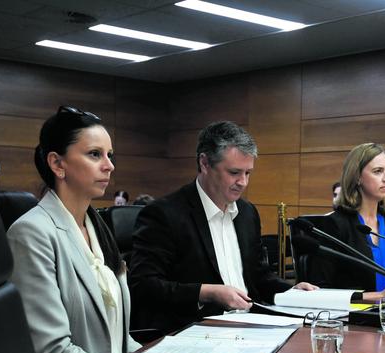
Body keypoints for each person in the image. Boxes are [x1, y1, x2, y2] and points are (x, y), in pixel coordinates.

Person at [7, 106, 141, 353]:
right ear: (57, 163)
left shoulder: (98, 226)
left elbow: (116, 333)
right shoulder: (32, 233)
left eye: (109, 155)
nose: (109, 166)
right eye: (95, 154)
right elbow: (52, 352)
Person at [130, 121, 316, 334]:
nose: (243, 182)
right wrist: (206, 292)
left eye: (248, 173)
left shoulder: (247, 213)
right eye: (234, 172)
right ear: (205, 163)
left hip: (251, 328)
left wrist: (291, 290)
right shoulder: (164, 214)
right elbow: (144, 286)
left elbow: (257, 276)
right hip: (194, 334)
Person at [308, 142, 385, 301]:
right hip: (353, 320)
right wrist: (379, 295)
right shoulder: (335, 225)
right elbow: (320, 289)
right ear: (357, 177)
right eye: (378, 171)